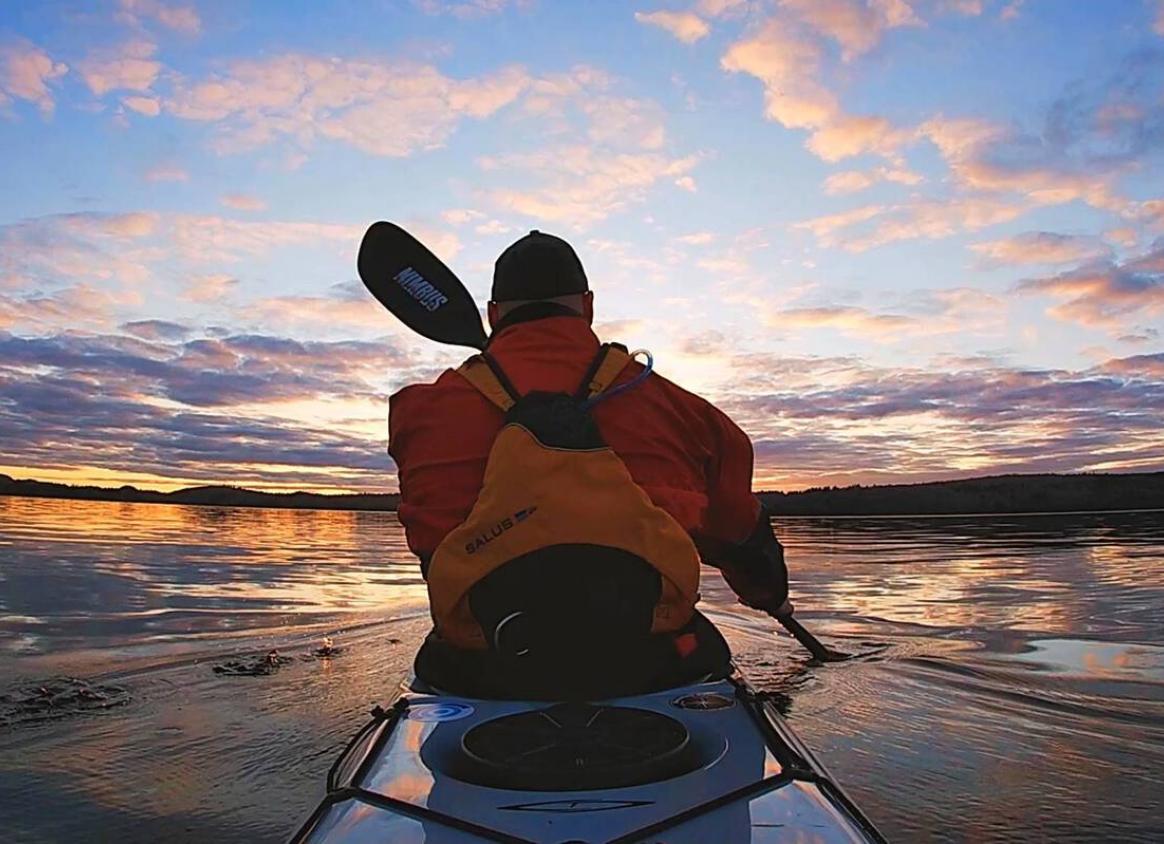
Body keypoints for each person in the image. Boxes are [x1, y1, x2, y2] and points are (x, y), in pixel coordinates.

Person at [388, 231, 791, 698]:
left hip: (482, 667)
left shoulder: (420, 413)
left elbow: (430, 545)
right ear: (588, 306)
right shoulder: (686, 412)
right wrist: (771, 598)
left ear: (494, 315)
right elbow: (740, 536)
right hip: (652, 661)